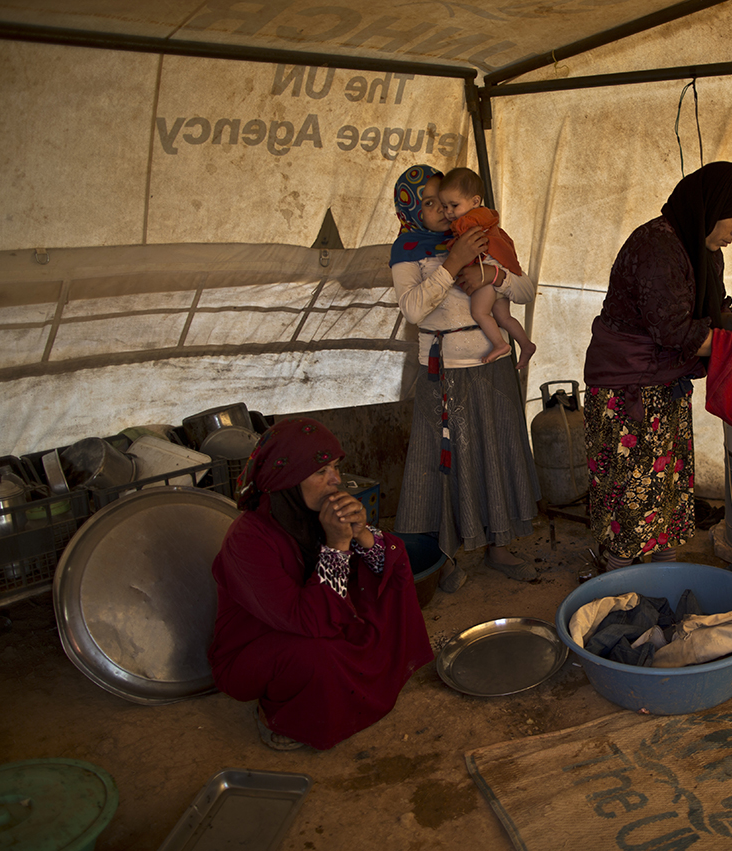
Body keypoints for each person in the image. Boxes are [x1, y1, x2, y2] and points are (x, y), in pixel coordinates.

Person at [583, 162, 732, 573]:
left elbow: (707, 315)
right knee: (634, 498)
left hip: (666, 387)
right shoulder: (656, 248)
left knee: (668, 491)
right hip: (628, 391)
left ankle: (665, 576)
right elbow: (675, 331)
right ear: (709, 208)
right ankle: (614, 583)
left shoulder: (703, 251)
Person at [208, 417, 433, 751]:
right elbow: (307, 621)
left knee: (386, 594)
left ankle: (345, 693)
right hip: (257, 649)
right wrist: (337, 545)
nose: (336, 481)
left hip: (315, 622)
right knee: (319, 655)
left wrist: (361, 535)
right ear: (287, 479)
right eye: (320, 472)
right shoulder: (248, 539)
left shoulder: (314, 514)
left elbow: (389, 567)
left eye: (336, 467)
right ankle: (279, 713)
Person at [390, 164, 541, 586]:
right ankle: (446, 556)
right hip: (444, 370)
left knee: (496, 451)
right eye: (428, 202)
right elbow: (413, 309)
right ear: (410, 209)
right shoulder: (407, 249)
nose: (440, 209)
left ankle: (500, 546)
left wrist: (493, 274)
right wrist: (451, 263)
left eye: (444, 199)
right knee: (441, 463)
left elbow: (526, 290)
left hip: (492, 365)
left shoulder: (476, 231)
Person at [438, 167, 536, 369]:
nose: (448, 212)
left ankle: (500, 344)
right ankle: (526, 344)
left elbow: (461, 243)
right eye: (445, 206)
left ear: (475, 201)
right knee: (504, 317)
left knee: (480, 313)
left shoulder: (467, 221)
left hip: (486, 272)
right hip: (496, 271)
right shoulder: (484, 217)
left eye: (453, 205)